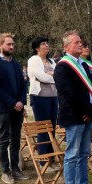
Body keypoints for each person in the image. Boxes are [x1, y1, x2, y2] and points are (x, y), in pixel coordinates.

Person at [53, 31, 92, 184]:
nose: (80, 44)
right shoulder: (62, 67)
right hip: (74, 116)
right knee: (72, 155)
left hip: (87, 115)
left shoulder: (83, 64)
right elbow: (69, 95)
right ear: (66, 47)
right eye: (76, 42)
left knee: (84, 153)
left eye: (80, 42)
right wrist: (90, 109)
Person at [0, 33, 30, 184]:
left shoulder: (16, 64)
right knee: (4, 140)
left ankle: (15, 168)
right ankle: (5, 171)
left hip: (17, 107)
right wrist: (12, 102)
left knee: (16, 139)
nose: (12, 47)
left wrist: (21, 101)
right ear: (0, 45)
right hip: (3, 108)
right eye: (8, 44)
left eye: (12, 44)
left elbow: (23, 84)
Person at [27, 37, 59, 166]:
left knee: (52, 127)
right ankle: (43, 160)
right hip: (40, 97)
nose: (46, 46)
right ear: (37, 48)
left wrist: (51, 76)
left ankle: (52, 157)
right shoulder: (34, 60)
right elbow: (40, 76)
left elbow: (57, 74)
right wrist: (51, 77)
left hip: (53, 96)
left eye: (47, 43)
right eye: (43, 44)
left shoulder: (51, 61)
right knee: (43, 127)